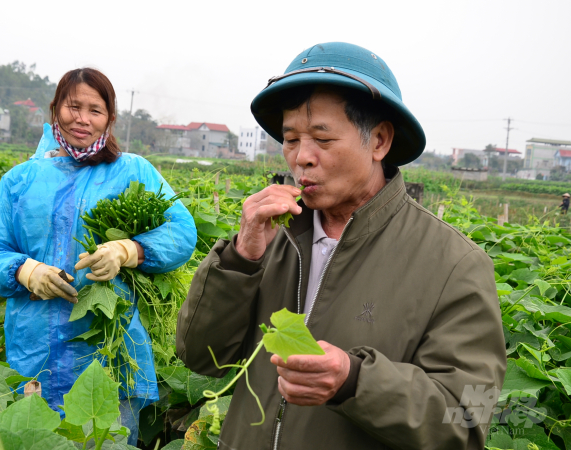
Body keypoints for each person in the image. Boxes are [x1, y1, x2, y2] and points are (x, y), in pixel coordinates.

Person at [177, 42, 506, 449]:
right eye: (292, 139)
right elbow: (201, 356)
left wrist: (354, 381)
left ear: (379, 142)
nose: (302, 158)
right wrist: (240, 259)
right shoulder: (274, 237)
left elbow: (468, 419)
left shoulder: (454, 264)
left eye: (322, 139)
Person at [0, 68, 196, 445]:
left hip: (111, 346)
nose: (82, 119)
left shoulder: (132, 170)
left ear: (110, 118)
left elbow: (181, 231)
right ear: (55, 109)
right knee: (38, 438)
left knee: (107, 436)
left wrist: (129, 250)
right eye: (73, 106)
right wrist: (25, 271)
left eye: (95, 110)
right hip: (35, 347)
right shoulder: (20, 179)